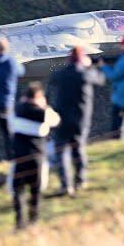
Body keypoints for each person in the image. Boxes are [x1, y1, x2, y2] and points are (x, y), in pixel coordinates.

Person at [48, 46, 106, 196]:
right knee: (78, 150)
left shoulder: (62, 74)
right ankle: (81, 180)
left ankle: (65, 185)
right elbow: (101, 79)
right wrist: (90, 65)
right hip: (81, 119)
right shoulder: (86, 74)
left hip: (62, 120)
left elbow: (53, 78)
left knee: (61, 152)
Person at [8, 82, 61, 230]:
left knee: (17, 190)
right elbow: (56, 121)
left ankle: (19, 222)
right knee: (35, 190)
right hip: (37, 156)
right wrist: (45, 107)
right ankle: (34, 221)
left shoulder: (17, 109)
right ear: (39, 97)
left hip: (19, 157)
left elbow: (11, 125)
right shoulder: (44, 113)